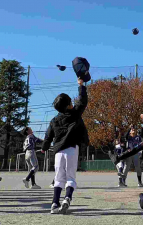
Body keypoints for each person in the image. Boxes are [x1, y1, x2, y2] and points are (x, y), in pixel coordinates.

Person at [41, 78, 89, 215]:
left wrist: (44, 147)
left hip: (57, 152)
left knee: (58, 178)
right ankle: (67, 198)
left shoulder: (54, 120)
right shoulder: (75, 113)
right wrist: (81, 85)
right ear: (69, 104)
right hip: (71, 149)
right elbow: (83, 101)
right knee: (70, 178)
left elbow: (48, 136)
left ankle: (54, 204)